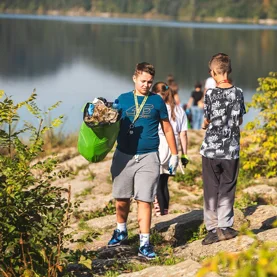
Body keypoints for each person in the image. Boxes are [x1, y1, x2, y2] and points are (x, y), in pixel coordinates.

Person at [108, 62, 179, 259]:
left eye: (149, 82)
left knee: (145, 199)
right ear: (134, 78)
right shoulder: (122, 100)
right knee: (121, 197)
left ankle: (145, 243)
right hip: (124, 155)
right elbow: (109, 124)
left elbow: (167, 128)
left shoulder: (157, 102)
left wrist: (175, 154)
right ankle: (121, 231)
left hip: (149, 157)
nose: (146, 85)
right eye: (143, 81)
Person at [200, 53, 246, 245]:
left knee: (211, 188)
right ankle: (225, 227)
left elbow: (207, 119)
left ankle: (212, 230)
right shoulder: (239, 92)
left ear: (213, 72)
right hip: (231, 150)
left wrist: (206, 124)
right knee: (227, 186)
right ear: (228, 71)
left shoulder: (210, 94)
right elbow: (240, 119)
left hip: (211, 150)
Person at [152, 82, 189, 216]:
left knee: (156, 182)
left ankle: (159, 213)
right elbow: (183, 134)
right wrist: (184, 154)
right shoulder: (179, 110)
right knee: (164, 182)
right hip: (173, 148)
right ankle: (165, 211)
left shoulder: (156, 109)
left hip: (159, 145)